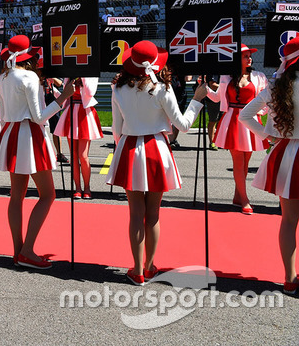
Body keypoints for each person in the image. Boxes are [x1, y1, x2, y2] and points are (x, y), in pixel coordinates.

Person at [106, 41, 207, 285]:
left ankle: (137, 269)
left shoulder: (117, 88)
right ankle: (149, 267)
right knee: (153, 213)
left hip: (129, 148)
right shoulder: (162, 87)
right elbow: (182, 125)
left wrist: (127, 144)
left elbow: (116, 130)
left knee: (135, 213)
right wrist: (196, 100)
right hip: (156, 150)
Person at [0, 36, 74, 268]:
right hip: (29, 134)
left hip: (11, 133)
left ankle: (18, 250)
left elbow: (5, 112)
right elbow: (39, 117)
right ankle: (27, 250)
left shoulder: (4, 77)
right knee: (47, 195)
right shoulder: (29, 77)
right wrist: (63, 98)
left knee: (16, 195)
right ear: (30, 57)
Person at [240, 35, 299, 294]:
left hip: (285, 154)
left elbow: (245, 115)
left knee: (288, 220)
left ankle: (289, 278)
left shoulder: (274, 86)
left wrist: (268, 135)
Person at [206, 45, 268, 214]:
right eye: (245, 56)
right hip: (232, 120)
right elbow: (218, 97)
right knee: (238, 162)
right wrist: (205, 89)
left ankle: (237, 196)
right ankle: (245, 200)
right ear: (236, 59)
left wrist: (261, 114)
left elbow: (265, 99)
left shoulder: (259, 76)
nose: (249, 59)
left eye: (250, 56)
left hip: (250, 120)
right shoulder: (226, 77)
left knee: (246, 162)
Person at [54, 76, 102, 198]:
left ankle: (87, 187)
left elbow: (90, 92)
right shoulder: (69, 76)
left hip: (85, 113)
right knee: (74, 155)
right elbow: (65, 94)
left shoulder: (91, 76)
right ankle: (78, 188)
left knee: (83, 155)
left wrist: (84, 76)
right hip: (71, 111)